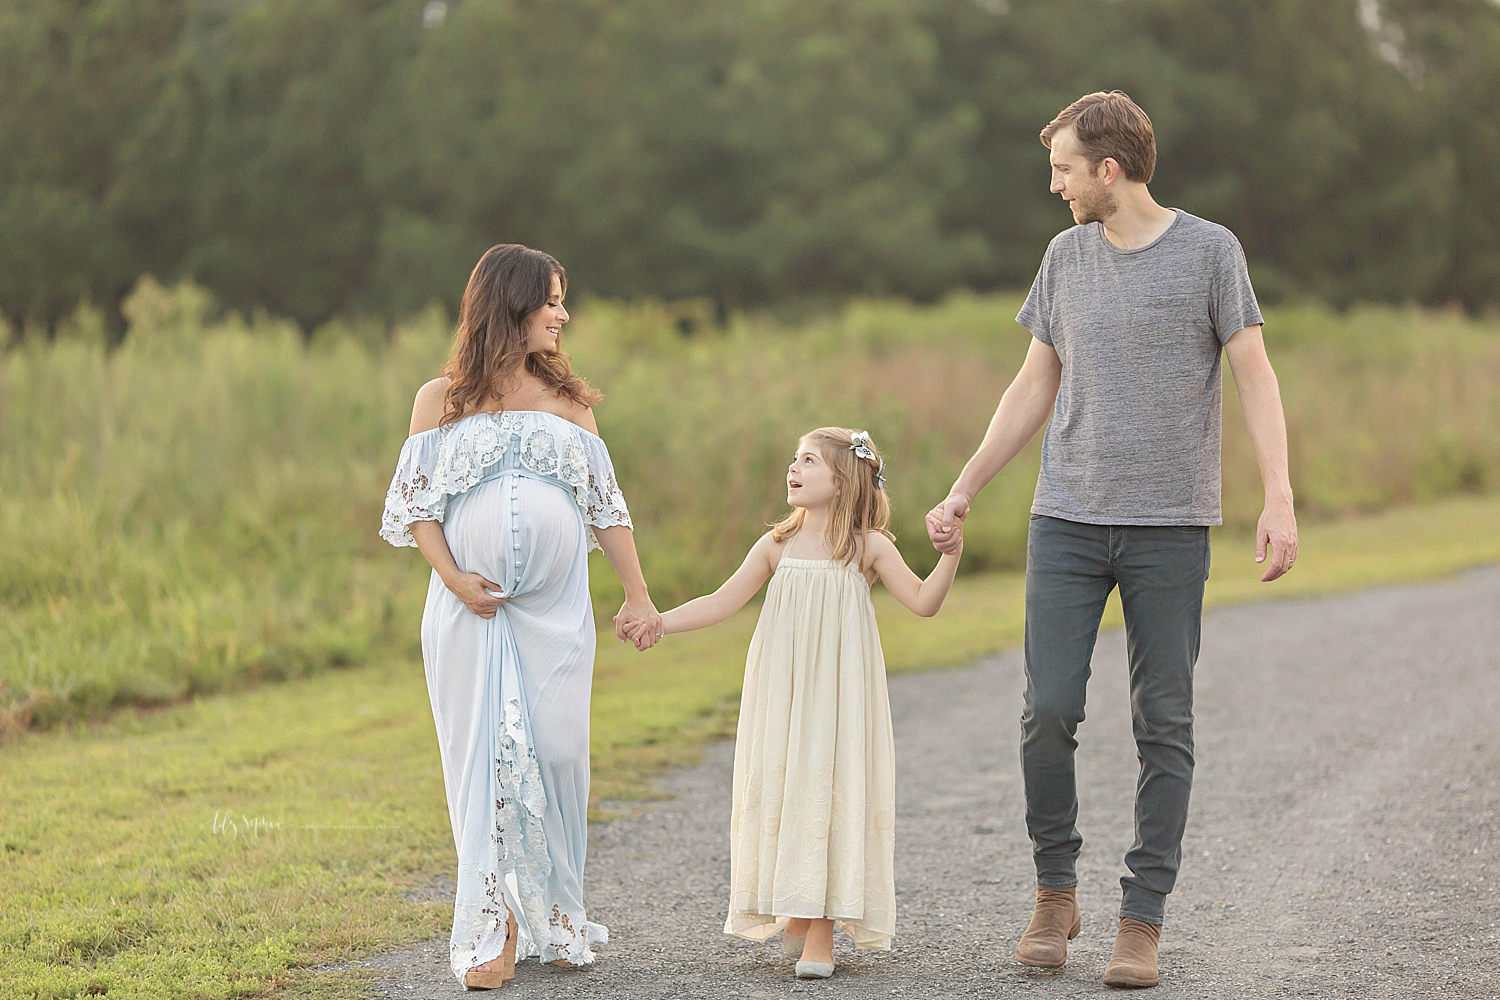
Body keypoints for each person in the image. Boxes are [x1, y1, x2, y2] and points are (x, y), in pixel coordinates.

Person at [927, 91, 1298, 989]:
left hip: (1171, 526)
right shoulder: (1064, 257)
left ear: (1108, 169)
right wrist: (966, 485)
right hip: (1066, 520)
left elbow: (1254, 375)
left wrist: (1279, 496)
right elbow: (1031, 386)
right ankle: (1056, 893)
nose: (1052, 186)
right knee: (1047, 707)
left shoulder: (1211, 252)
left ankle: (1142, 920)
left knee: (1162, 722)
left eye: (1062, 168)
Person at [380, 244, 662, 989]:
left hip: (555, 613)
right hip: (468, 614)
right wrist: (455, 580)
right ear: (512, 304)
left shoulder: (571, 402)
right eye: (553, 301)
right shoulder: (438, 399)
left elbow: (608, 506)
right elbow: (417, 508)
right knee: (484, 766)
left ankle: (554, 911)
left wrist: (637, 595)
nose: (564, 315)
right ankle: (494, 928)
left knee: (560, 754)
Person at [623, 427, 962, 979]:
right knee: (786, 784)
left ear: (842, 478)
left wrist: (952, 555)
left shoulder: (868, 546)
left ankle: (822, 925)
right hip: (782, 689)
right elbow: (721, 601)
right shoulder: (776, 544)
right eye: (794, 459)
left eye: (808, 461)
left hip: (837, 692)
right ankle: (797, 907)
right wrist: (660, 622)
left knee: (828, 785)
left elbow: (924, 602)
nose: (793, 467)